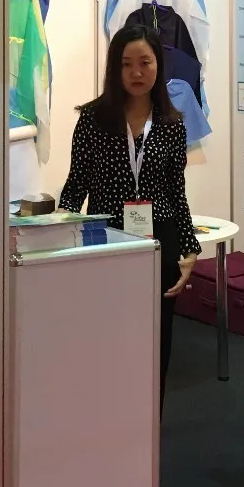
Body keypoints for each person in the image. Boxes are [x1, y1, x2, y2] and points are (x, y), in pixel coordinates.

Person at [59, 24, 200, 413]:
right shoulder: (92, 119)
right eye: (126, 64)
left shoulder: (171, 124)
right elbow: (75, 185)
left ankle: (148, 426)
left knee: (156, 339)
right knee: (106, 336)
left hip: (159, 240)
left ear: (158, 65)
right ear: (114, 69)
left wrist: (189, 248)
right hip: (106, 238)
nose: (136, 72)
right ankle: (105, 421)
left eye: (145, 62)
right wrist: (60, 240)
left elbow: (176, 192)